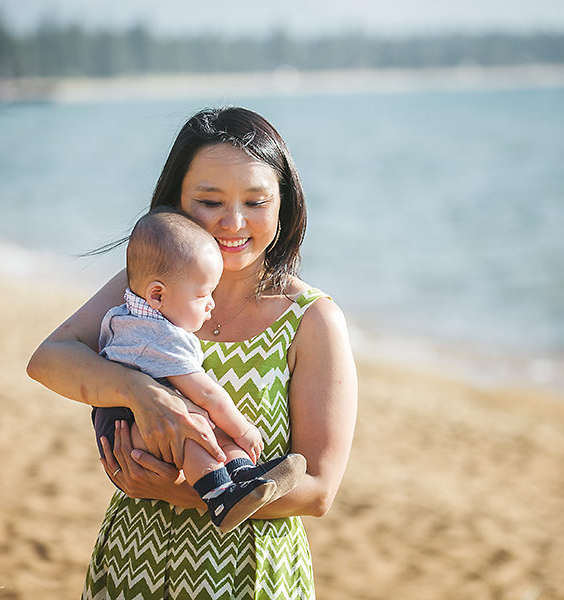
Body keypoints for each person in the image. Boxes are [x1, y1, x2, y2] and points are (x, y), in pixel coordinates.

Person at [27, 106, 357, 599]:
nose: (233, 221)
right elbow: (49, 359)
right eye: (209, 201)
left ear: (283, 205)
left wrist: (183, 492)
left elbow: (318, 491)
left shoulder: (312, 319)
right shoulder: (147, 290)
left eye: (256, 201)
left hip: (247, 576)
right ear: (176, 202)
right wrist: (139, 391)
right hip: (132, 559)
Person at [92, 207, 307, 533]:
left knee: (210, 428)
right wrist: (243, 430)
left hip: (132, 422)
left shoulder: (131, 315)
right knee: (196, 428)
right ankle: (220, 496)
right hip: (128, 430)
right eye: (203, 294)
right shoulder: (156, 337)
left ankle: (243, 475)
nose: (211, 304)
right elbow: (206, 393)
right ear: (157, 295)